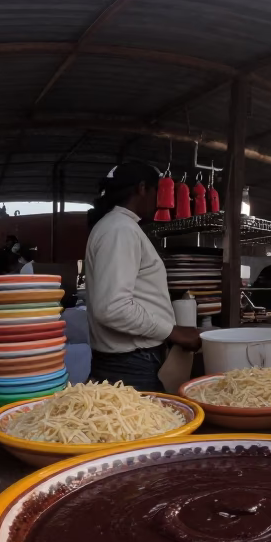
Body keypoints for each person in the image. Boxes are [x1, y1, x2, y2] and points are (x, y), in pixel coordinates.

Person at [84, 163, 202, 391]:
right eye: (157, 191)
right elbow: (113, 308)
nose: (159, 200)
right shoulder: (121, 229)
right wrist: (173, 331)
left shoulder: (118, 227)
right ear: (141, 188)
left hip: (128, 362)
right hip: (130, 365)